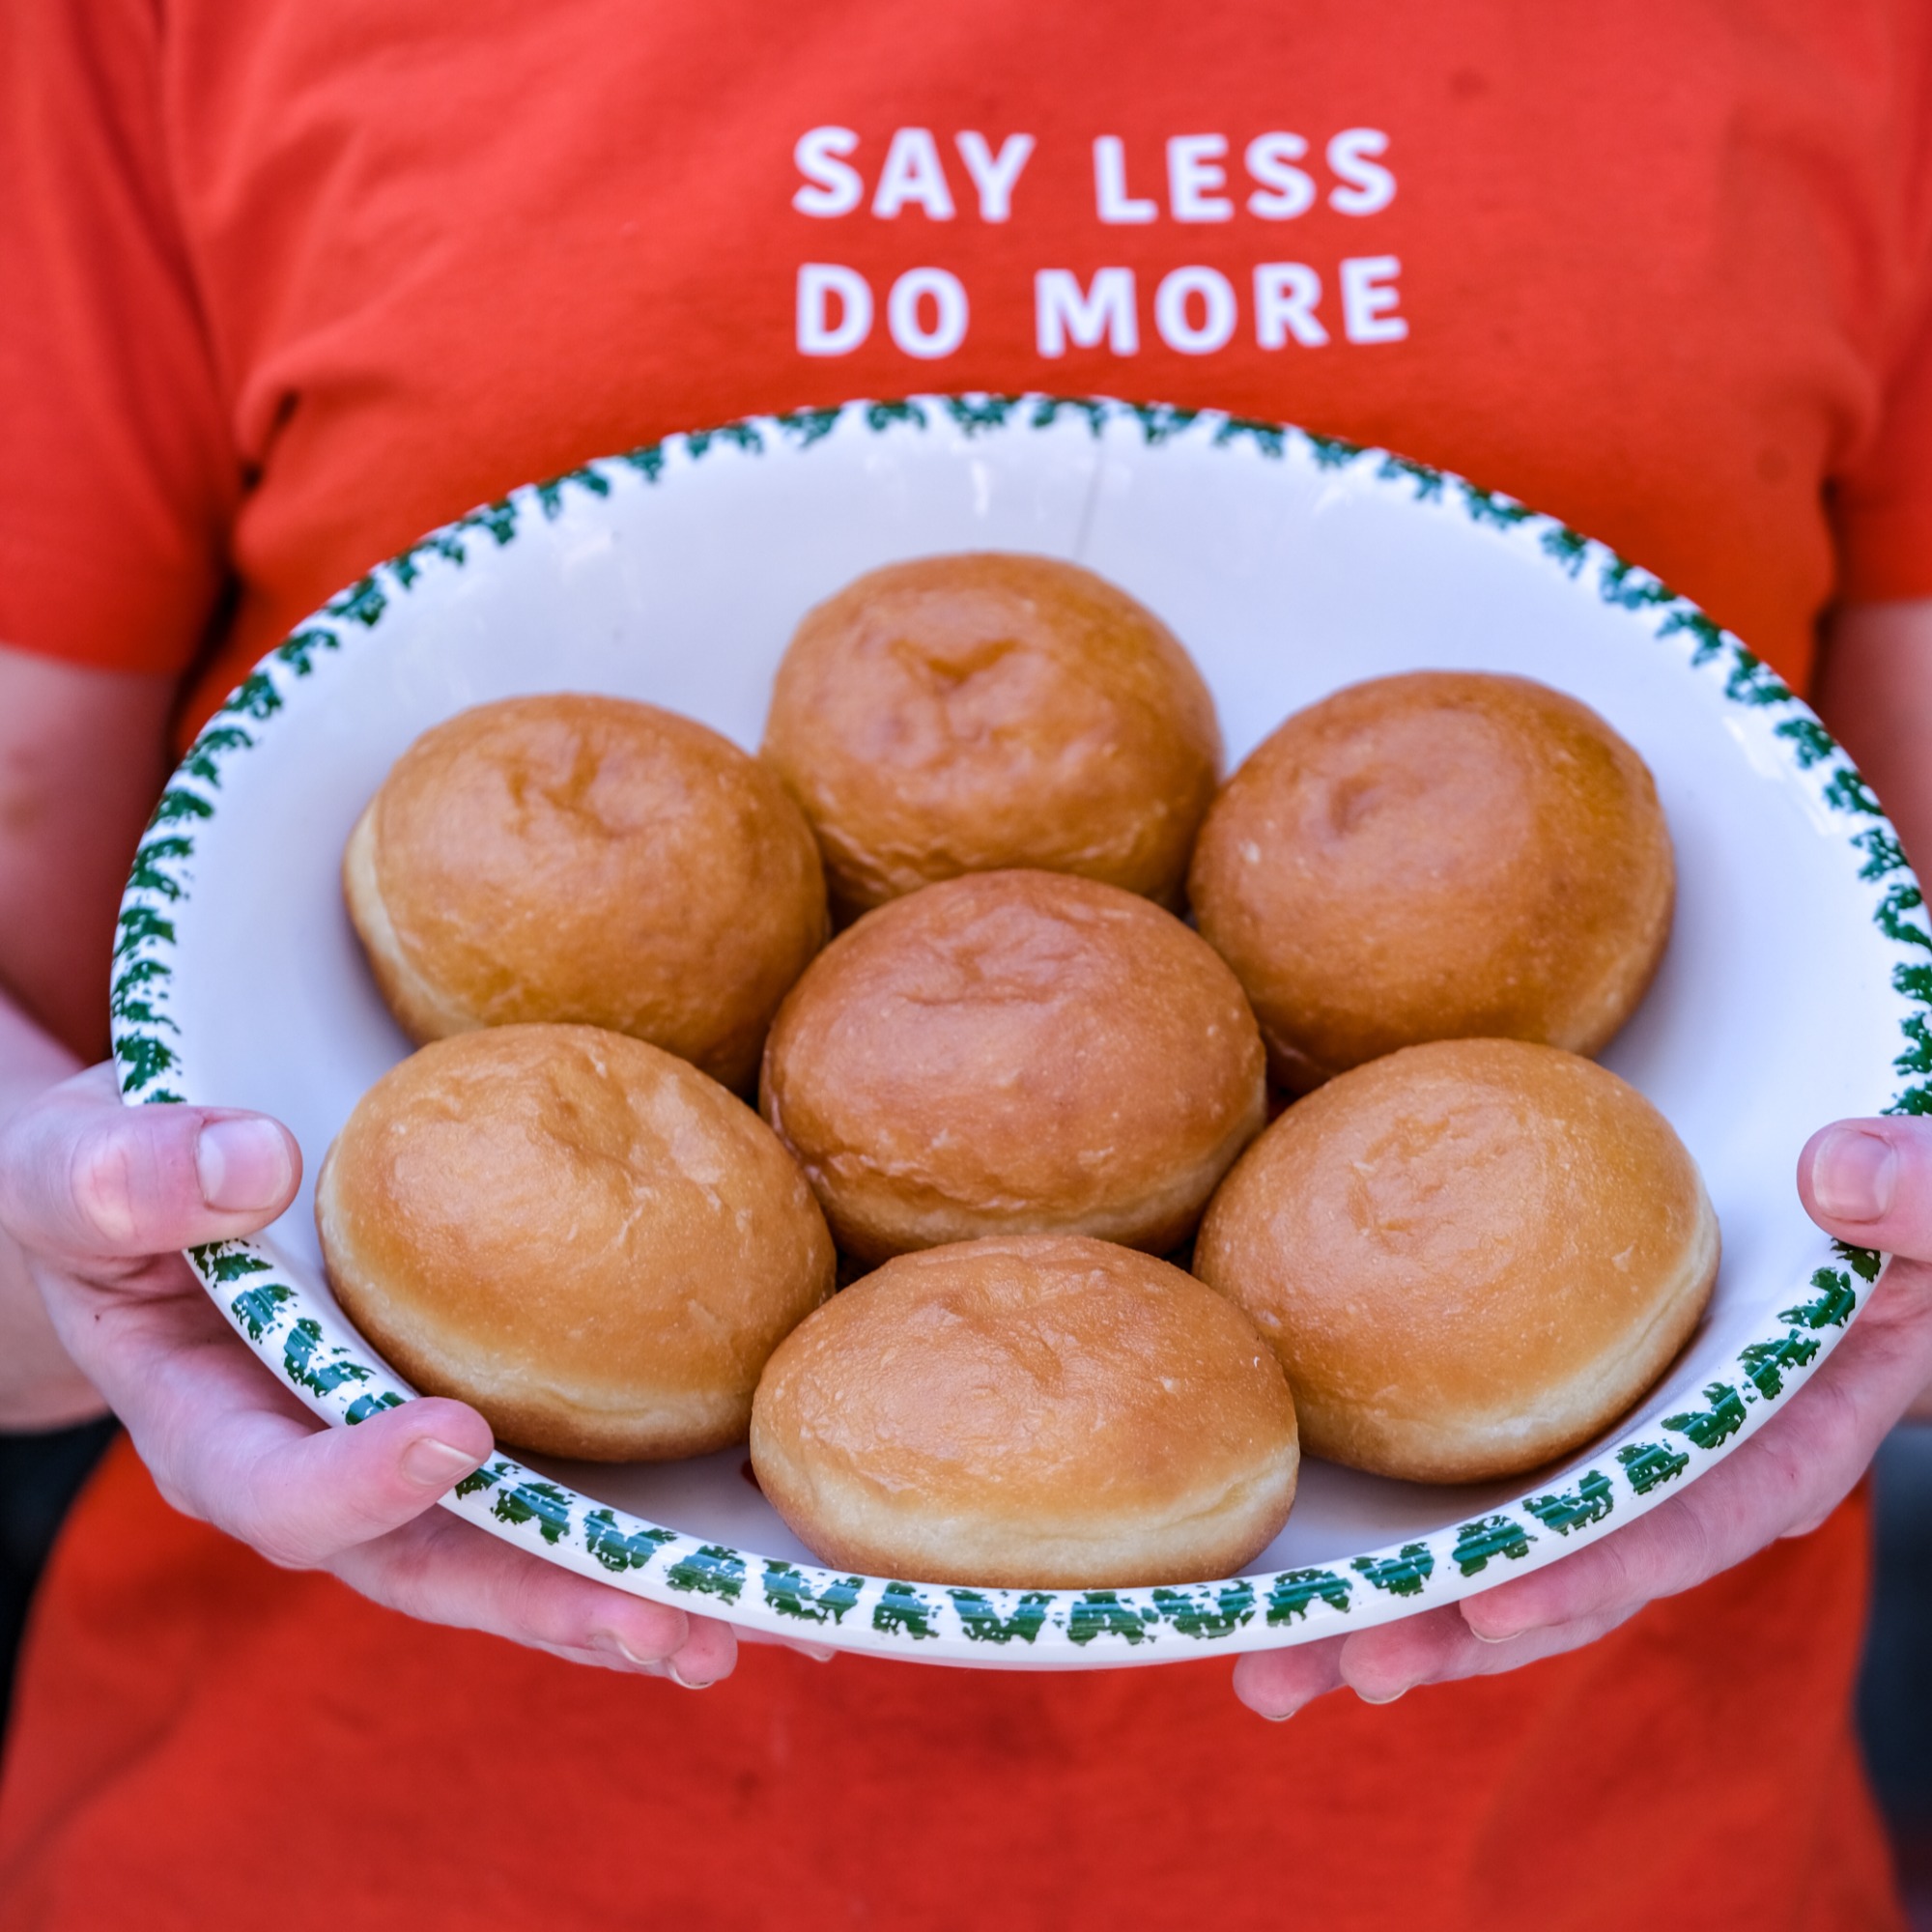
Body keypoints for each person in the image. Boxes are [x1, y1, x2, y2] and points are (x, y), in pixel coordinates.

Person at [2, 2, 1931, 1924]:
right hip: (358, 1852)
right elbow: (47, 1147)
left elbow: (1882, 1068)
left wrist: (1878, 1275)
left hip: (1584, 1858)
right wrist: (89, 1242)